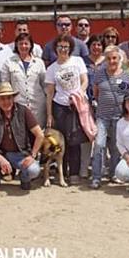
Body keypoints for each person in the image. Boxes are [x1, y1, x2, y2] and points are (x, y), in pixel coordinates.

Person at [0, 82, 44, 192]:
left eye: (9, 98)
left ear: (13, 98)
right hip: (1, 153)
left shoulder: (24, 111)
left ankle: (24, 178)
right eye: (2, 99)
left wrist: (33, 155)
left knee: (34, 170)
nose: (6, 102)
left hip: (21, 154)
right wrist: (0, 158)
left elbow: (40, 135)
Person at [45, 34, 90, 185]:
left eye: (66, 47)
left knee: (75, 140)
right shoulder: (52, 69)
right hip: (60, 107)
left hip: (76, 105)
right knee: (60, 142)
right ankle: (62, 173)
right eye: (60, 47)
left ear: (70, 48)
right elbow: (50, 93)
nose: (63, 50)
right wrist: (50, 114)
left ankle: (74, 173)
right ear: (55, 49)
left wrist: (79, 94)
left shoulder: (78, 61)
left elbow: (85, 81)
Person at [90, 46, 129, 189]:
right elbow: (96, 92)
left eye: (114, 58)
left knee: (115, 147)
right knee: (99, 145)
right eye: (108, 58)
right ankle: (96, 177)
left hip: (118, 117)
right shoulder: (99, 74)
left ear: (119, 59)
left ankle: (114, 174)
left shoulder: (125, 76)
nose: (111, 61)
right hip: (102, 116)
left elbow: (128, 94)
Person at [0, 33, 47, 128]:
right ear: (16, 45)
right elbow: (5, 84)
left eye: (26, 43)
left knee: (38, 132)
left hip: (37, 105)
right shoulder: (9, 62)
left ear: (31, 45)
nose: (23, 46)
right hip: (18, 104)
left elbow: (44, 85)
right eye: (21, 43)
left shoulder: (39, 63)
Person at [81, 35, 105, 178]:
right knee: (86, 136)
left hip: (104, 104)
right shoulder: (83, 62)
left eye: (99, 45)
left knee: (102, 138)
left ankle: (100, 169)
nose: (96, 47)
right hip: (86, 104)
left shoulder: (107, 61)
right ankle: (84, 168)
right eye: (94, 44)